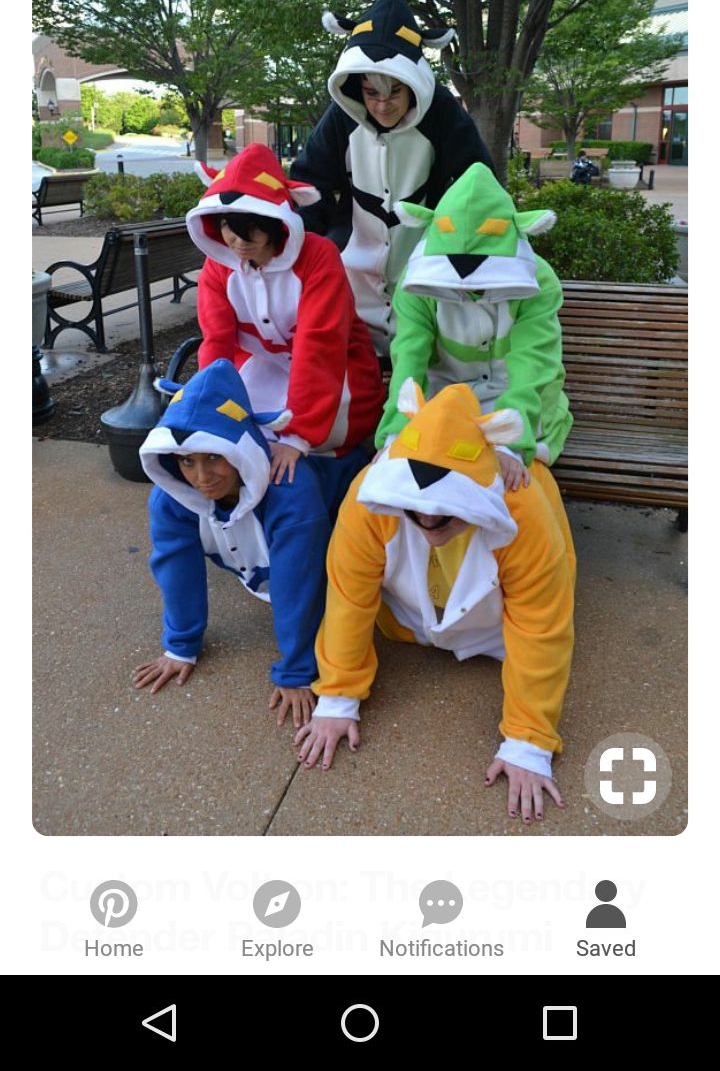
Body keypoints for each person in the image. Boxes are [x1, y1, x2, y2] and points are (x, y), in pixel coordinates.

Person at [295, 381, 576, 825]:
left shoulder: (524, 508)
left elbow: (540, 624)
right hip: (406, 626)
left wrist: (528, 740)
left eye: (446, 511)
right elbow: (349, 598)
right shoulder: (368, 499)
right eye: (415, 507)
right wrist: (337, 698)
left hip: (496, 633)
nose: (427, 520)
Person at [133, 360, 369, 729]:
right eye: (187, 461)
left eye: (214, 457)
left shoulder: (291, 493)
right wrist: (180, 645)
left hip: (345, 502)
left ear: (239, 450)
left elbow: (299, 583)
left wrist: (296, 671)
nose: (201, 477)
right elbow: (175, 566)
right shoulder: (171, 498)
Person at [289, 0, 495, 354]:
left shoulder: (442, 112)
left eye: (394, 91)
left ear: (413, 81)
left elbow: (479, 186)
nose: (382, 105)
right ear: (356, 88)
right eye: (371, 93)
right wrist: (305, 253)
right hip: (349, 277)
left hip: (424, 276)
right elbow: (310, 184)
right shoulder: (341, 117)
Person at [185, 143, 385, 486]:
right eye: (226, 226)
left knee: (322, 440)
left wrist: (298, 435)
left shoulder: (318, 256)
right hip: (266, 367)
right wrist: (206, 408)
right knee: (236, 429)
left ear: (276, 221)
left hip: (338, 371)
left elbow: (320, 345)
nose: (236, 240)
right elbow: (216, 343)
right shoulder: (218, 267)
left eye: (250, 226)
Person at [375, 162, 573, 490]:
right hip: (442, 405)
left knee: (514, 490)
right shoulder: (416, 284)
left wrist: (512, 441)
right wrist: (395, 433)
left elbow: (534, 363)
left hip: (522, 408)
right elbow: (409, 362)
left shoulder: (538, 281)